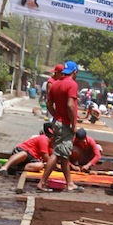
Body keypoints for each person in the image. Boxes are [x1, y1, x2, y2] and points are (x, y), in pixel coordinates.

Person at [37, 61, 80, 192]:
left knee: (64, 154)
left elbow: (49, 104)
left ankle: (70, 183)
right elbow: (70, 105)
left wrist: (57, 115)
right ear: (75, 72)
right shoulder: (72, 84)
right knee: (57, 153)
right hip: (65, 124)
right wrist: (73, 123)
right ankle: (42, 182)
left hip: (57, 122)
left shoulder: (55, 84)